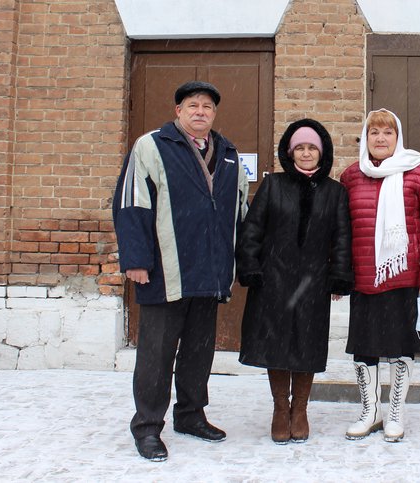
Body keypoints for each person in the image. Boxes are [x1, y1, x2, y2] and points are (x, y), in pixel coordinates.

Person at [112, 80, 249, 462]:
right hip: (165, 271)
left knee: (198, 352)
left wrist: (242, 262)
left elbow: (241, 214)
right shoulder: (152, 146)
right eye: (193, 105)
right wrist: (136, 259)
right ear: (179, 111)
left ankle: (190, 415)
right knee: (156, 354)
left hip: (209, 272)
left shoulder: (228, 154)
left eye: (207, 106)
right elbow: (132, 203)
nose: (200, 112)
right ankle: (147, 427)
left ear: (214, 114)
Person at [236, 119, 353, 444]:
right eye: (299, 148)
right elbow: (252, 231)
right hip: (273, 280)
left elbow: (342, 238)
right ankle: (279, 408)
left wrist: (340, 276)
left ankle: (299, 409)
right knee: (276, 344)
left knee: (307, 344)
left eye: (311, 148)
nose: (305, 153)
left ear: (322, 152)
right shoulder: (273, 185)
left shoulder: (335, 192)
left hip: (313, 283)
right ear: (290, 152)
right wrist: (250, 266)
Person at [339, 109, 420, 442]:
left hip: (405, 278)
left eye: (388, 133)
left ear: (398, 138)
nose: (381, 139)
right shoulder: (352, 176)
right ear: (365, 138)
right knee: (365, 348)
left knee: (401, 347)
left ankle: (395, 412)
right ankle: (370, 411)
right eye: (374, 133)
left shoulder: (418, 171)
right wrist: (340, 275)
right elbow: (342, 231)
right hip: (364, 278)